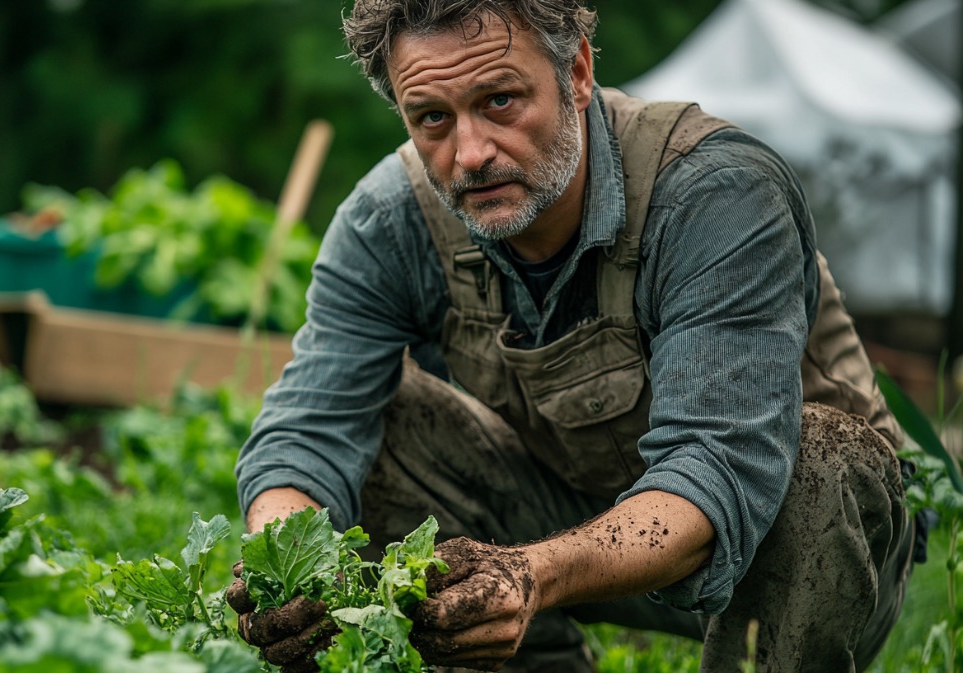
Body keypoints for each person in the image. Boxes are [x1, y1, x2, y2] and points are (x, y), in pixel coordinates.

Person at [226, 1, 917, 671]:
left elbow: (717, 466)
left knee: (827, 455)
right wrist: (286, 562)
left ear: (577, 72)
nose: (469, 154)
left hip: (796, 545)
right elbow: (309, 428)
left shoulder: (716, 192)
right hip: (568, 520)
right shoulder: (386, 222)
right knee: (375, 420)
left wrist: (530, 572)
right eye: (432, 118)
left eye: (500, 100)